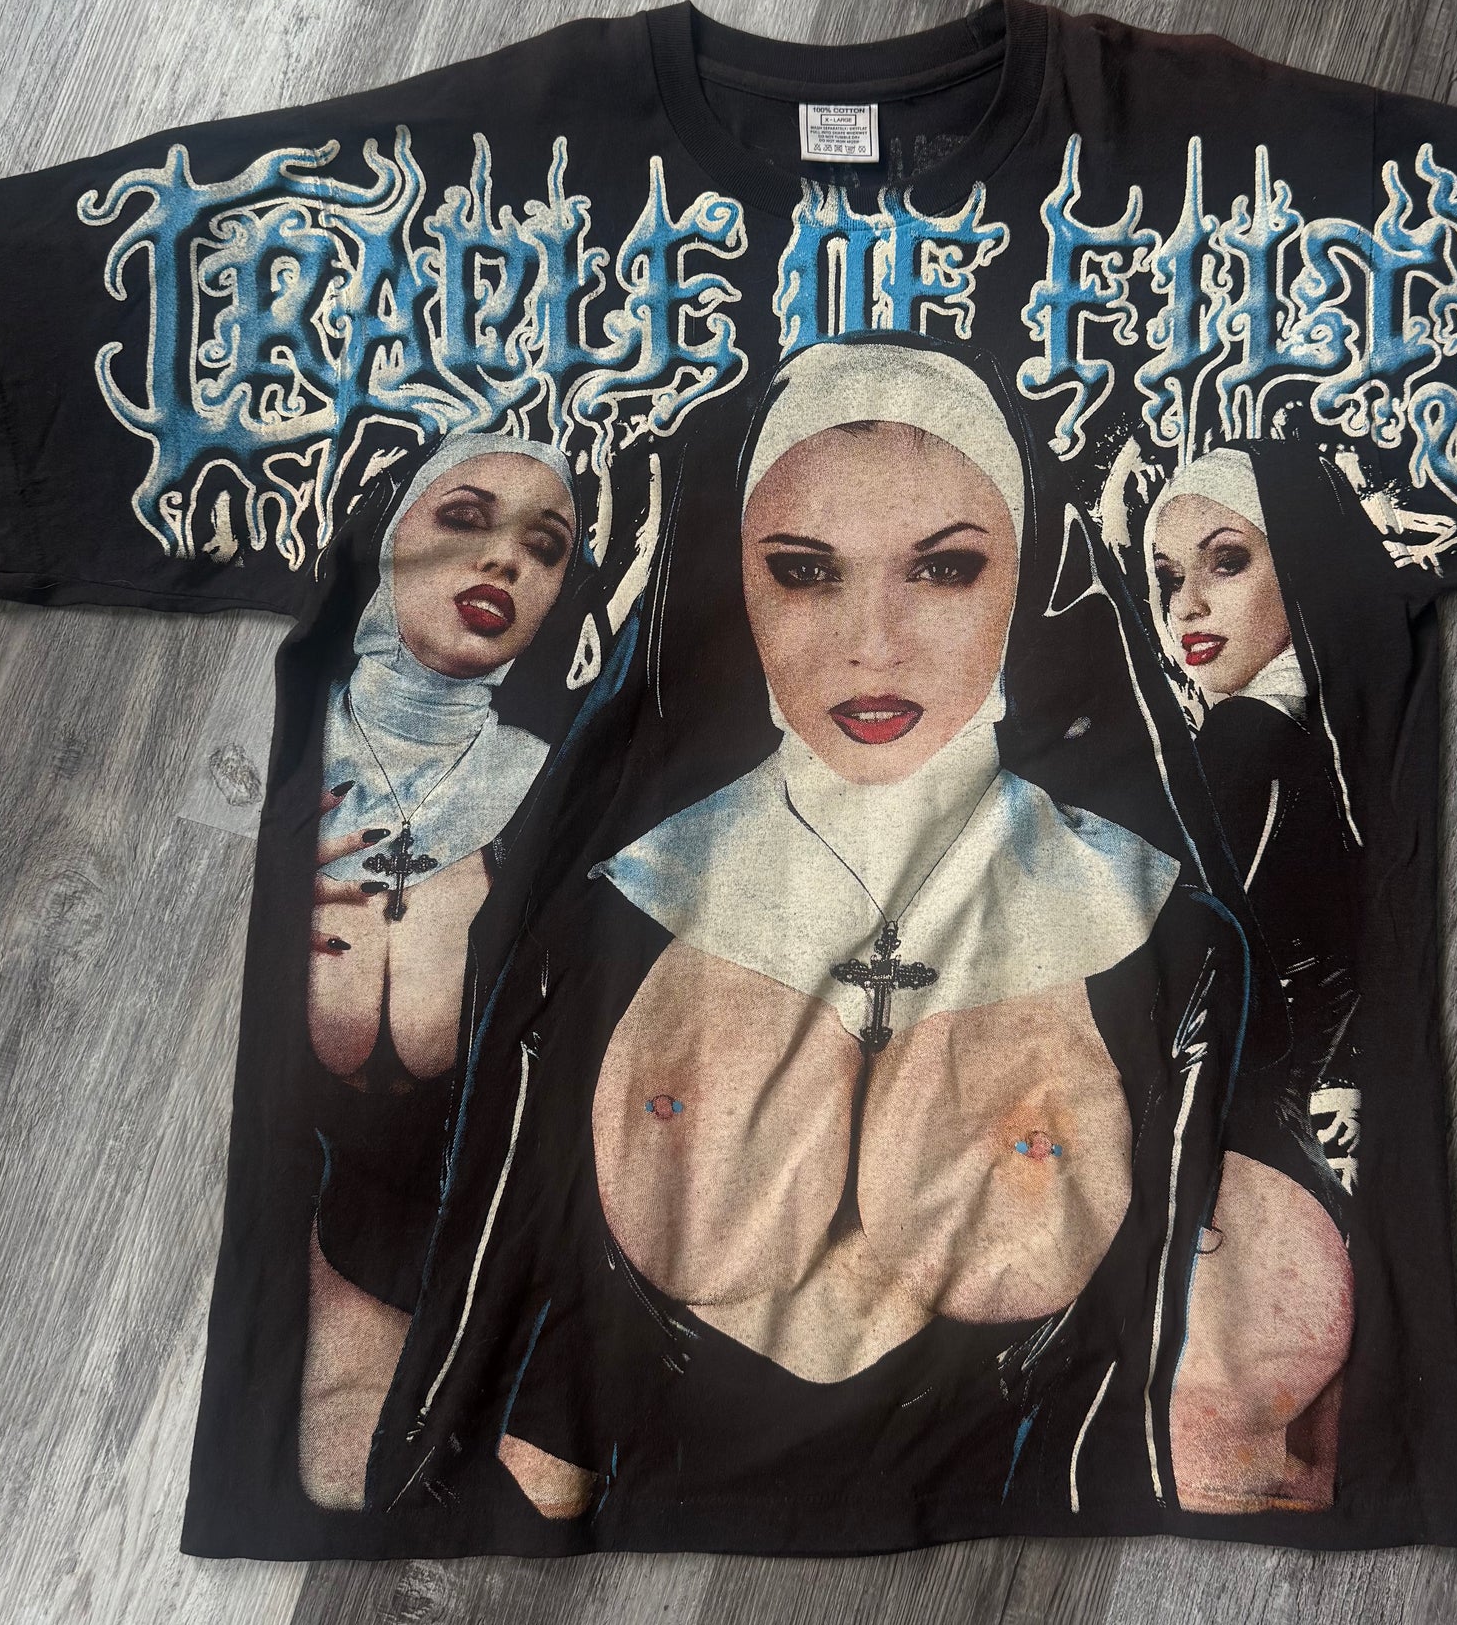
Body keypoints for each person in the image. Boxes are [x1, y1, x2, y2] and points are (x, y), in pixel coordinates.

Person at [420, 337, 1263, 1542]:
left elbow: (1176, 1329)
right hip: (610, 1518)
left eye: (945, 569)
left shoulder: (1158, 928)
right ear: (737, 584)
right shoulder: (615, 909)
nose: (873, 643)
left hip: (1027, 1534)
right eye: (805, 572)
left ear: (1027, 578)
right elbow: (486, 1261)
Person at [298, 426, 581, 1509]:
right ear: (386, 536)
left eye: (545, 548)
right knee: (338, 1485)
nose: (504, 558)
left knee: (539, 1499)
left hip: (504, 1256)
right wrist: (258, 875)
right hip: (310, 1258)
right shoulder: (275, 766)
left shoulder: (552, 793)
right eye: (464, 519)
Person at [1141, 441, 1387, 1510]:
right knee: (1313, 1475)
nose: (1186, 605)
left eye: (1226, 561)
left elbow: (1178, 975)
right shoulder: (1336, 743)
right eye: (1165, 579)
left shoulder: (1242, 741)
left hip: (1245, 1179)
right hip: (1330, 1176)